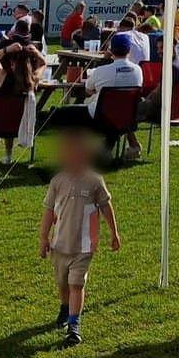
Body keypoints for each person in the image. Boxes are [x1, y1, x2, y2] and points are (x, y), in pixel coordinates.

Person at [39, 130, 122, 346]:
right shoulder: (58, 181)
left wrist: (114, 233)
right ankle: (65, 308)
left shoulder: (94, 181)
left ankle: (74, 326)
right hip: (59, 245)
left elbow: (106, 207)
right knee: (63, 282)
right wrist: (43, 238)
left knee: (76, 283)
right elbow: (48, 211)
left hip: (84, 245)